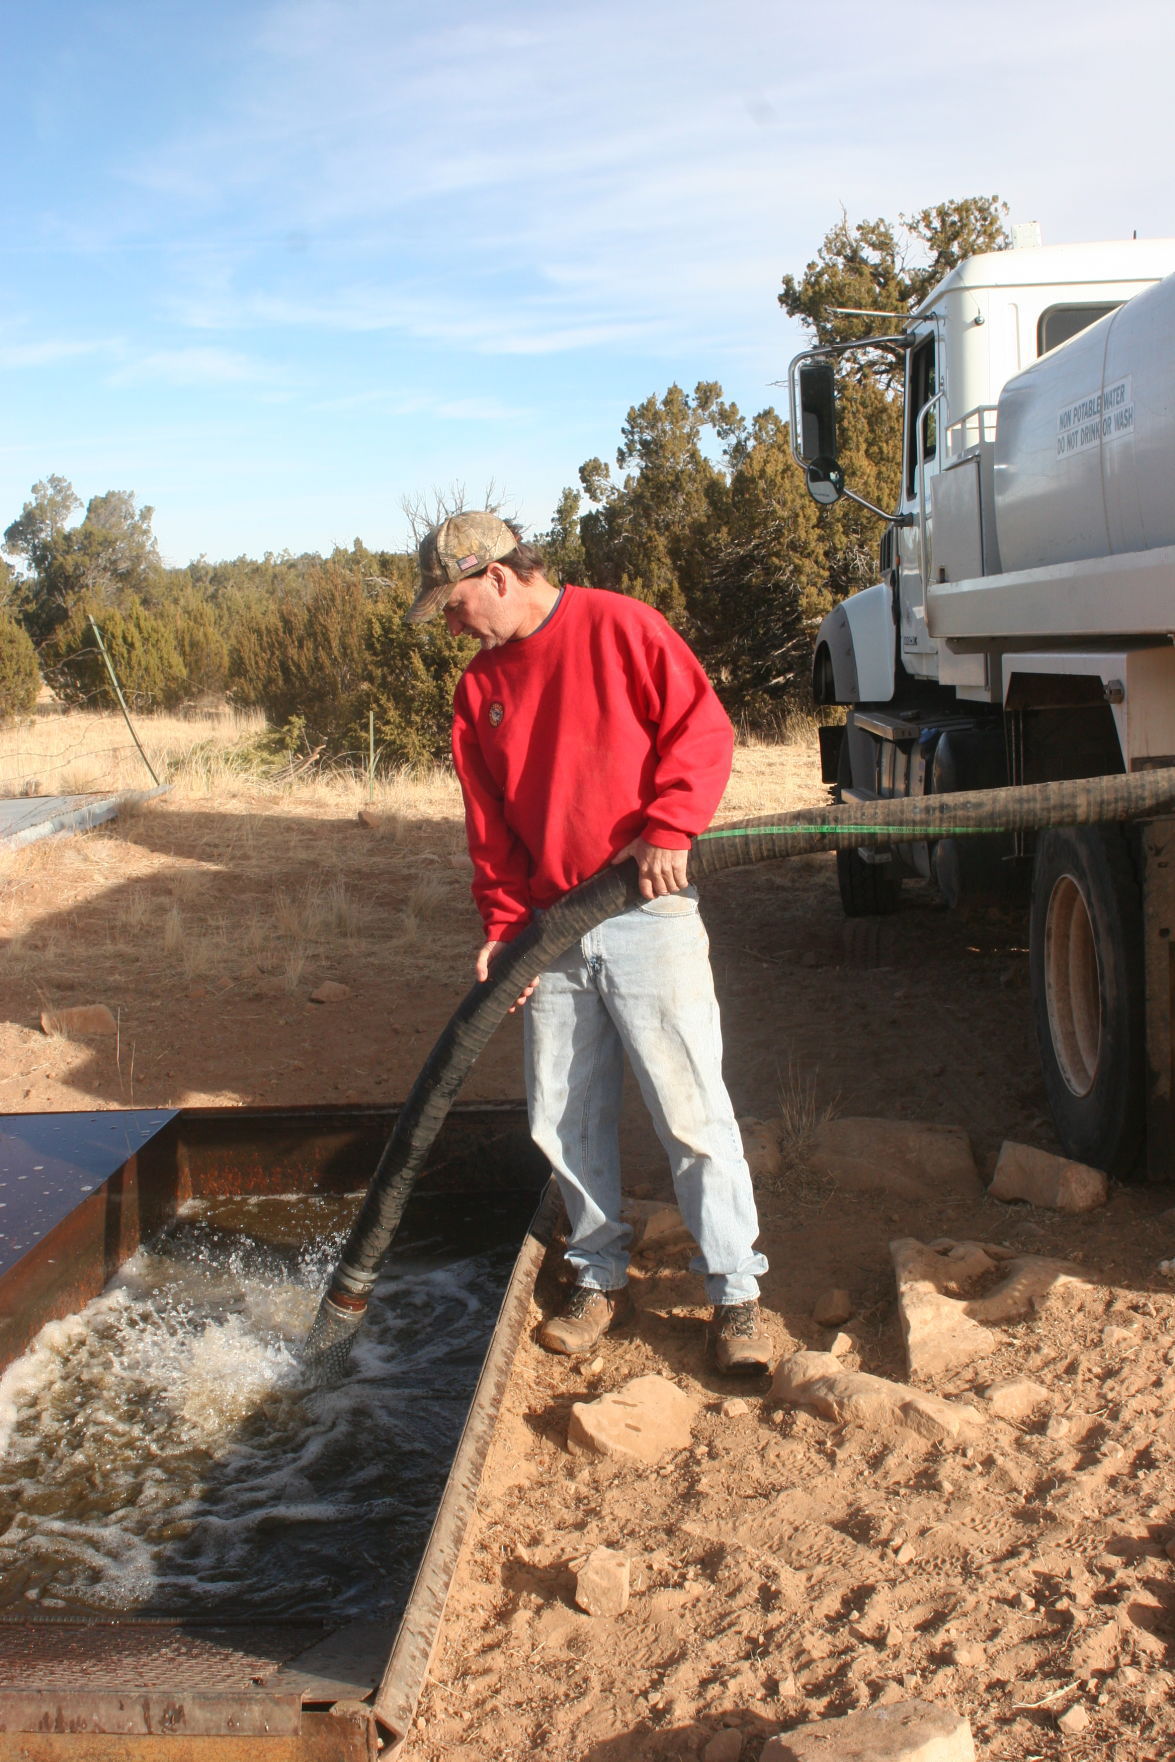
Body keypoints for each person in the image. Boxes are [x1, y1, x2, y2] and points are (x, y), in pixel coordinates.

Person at [407, 511, 770, 1372]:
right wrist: (503, 927)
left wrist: (673, 827)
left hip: (647, 911)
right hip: (550, 930)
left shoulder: (621, 626)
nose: (451, 627)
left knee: (691, 1113)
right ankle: (598, 1275)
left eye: (454, 607)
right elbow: (488, 828)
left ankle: (736, 1295)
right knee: (562, 1117)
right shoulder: (478, 690)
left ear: (495, 576)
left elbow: (701, 730)